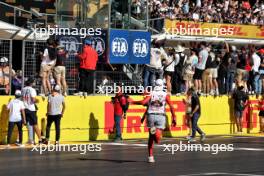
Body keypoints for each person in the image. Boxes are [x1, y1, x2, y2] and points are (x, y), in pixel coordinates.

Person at [132, 79, 176, 163]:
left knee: (150, 138)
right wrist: (174, 117)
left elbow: (144, 102)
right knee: (157, 139)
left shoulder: (151, 93)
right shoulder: (165, 94)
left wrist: (133, 102)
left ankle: (150, 156)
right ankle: (156, 133)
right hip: (160, 116)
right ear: (162, 85)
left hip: (150, 115)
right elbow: (171, 106)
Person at [22, 77, 44, 144]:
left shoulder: (23, 89)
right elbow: (33, 100)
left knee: (23, 124)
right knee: (35, 124)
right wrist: (38, 100)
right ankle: (40, 139)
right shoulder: (32, 90)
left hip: (25, 108)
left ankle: (20, 139)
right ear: (31, 83)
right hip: (31, 109)